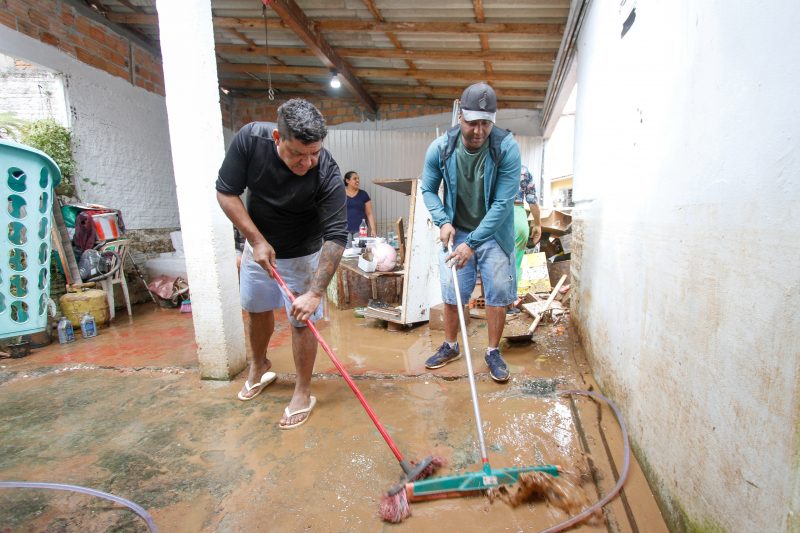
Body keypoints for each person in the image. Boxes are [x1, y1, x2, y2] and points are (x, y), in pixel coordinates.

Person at [216, 98, 347, 429]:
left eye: (313, 153)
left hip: (304, 252)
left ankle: (302, 391)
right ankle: (259, 366)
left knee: (302, 318)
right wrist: (256, 241)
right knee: (256, 307)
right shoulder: (250, 140)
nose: (307, 162)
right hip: (259, 246)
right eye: (297, 154)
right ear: (277, 138)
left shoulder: (327, 173)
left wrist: (316, 292)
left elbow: (336, 237)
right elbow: (226, 192)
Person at [420, 82, 521, 383]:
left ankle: (492, 351)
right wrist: (442, 221)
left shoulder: (506, 148)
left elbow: (503, 204)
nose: (478, 131)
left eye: (485, 123)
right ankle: (451, 345)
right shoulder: (441, 147)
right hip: (458, 231)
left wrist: (474, 243)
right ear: (459, 114)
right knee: (453, 294)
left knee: (497, 295)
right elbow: (427, 188)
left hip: (494, 233)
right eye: (472, 122)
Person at [513, 164, 542, 291]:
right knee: (516, 261)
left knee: (491, 260)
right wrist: (538, 224)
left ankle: (490, 302)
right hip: (518, 216)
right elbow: (532, 200)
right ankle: (510, 302)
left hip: (495, 214)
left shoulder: (488, 164)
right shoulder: (523, 170)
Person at [344, 171, 377, 239]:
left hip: (361, 231)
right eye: (355, 178)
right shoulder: (341, 194)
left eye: (358, 178)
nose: (357, 180)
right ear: (347, 181)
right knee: (347, 249)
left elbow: (369, 213)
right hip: (345, 231)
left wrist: (373, 229)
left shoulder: (363, 194)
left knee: (360, 249)